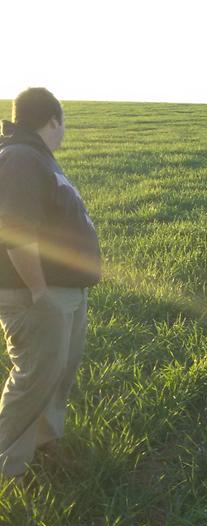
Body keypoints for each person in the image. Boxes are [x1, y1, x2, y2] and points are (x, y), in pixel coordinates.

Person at [0, 88, 101, 478]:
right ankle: (7, 467)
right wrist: (40, 291)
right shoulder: (21, 157)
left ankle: (43, 446)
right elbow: (15, 230)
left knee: (56, 373)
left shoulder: (35, 156)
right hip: (36, 293)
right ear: (53, 119)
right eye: (63, 124)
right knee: (34, 379)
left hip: (61, 292)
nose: (63, 132)